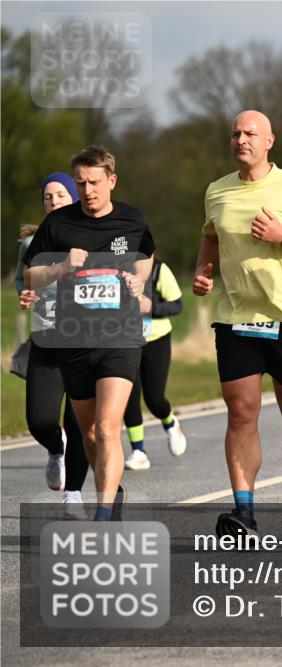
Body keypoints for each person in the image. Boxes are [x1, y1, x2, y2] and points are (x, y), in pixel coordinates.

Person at [194, 110, 282, 539]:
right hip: (236, 318)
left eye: (250, 134)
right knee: (240, 412)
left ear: (269, 140)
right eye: (235, 133)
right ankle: (244, 513)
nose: (241, 140)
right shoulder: (217, 191)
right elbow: (211, 236)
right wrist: (203, 270)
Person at [23, 146, 154, 520]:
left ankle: (103, 517)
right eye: (80, 183)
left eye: (94, 182)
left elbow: (147, 255)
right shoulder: (58, 223)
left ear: (112, 180)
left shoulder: (133, 219)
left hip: (120, 337)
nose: (87, 190)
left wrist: (139, 280)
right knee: (90, 434)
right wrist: (61, 267)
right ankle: (112, 490)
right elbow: (30, 275)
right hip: (74, 339)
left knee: (108, 428)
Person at [14, 172, 88, 516]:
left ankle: (73, 495)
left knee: (78, 422)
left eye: (60, 195)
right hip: (46, 337)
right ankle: (56, 449)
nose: (54, 201)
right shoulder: (32, 244)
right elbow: (22, 280)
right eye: (48, 196)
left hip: (86, 341)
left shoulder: (91, 237)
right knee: (40, 420)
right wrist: (25, 294)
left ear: (74, 199)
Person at [122, 258, 188, 470]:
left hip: (156, 340)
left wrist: (152, 306)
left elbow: (177, 305)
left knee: (154, 399)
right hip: (125, 341)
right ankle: (138, 451)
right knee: (129, 397)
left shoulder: (159, 270)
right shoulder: (116, 267)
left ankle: (170, 423)